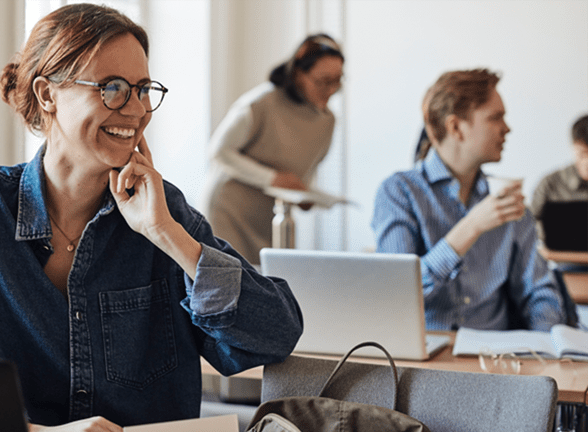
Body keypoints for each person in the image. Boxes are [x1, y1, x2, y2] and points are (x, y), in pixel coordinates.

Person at [0, 4, 303, 431]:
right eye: (112, 87)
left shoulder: (164, 212)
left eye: (142, 89)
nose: (136, 110)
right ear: (48, 95)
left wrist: (168, 236)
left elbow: (273, 335)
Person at [372, 69, 567, 331]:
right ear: (455, 127)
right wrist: (471, 227)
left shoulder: (506, 199)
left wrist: (546, 344)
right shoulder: (398, 192)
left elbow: (540, 293)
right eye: (496, 118)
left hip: (497, 358)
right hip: (425, 357)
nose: (507, 128)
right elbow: (393, 296)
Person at [202, 34, 344, 263]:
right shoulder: (261, 103)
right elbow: (219, 152)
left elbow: (303, 172)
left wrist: (305, 194)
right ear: (299, 74)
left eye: (336, 81)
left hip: (272, 218)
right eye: (322, 81)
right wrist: (272, 178)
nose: (330, 89)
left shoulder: (328, 122)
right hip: (229, 214)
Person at [530, 114, 588, 241]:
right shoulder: (550, 183)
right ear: (573, 148)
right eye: (582, 153)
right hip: (563, 257)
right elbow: (530, 226)